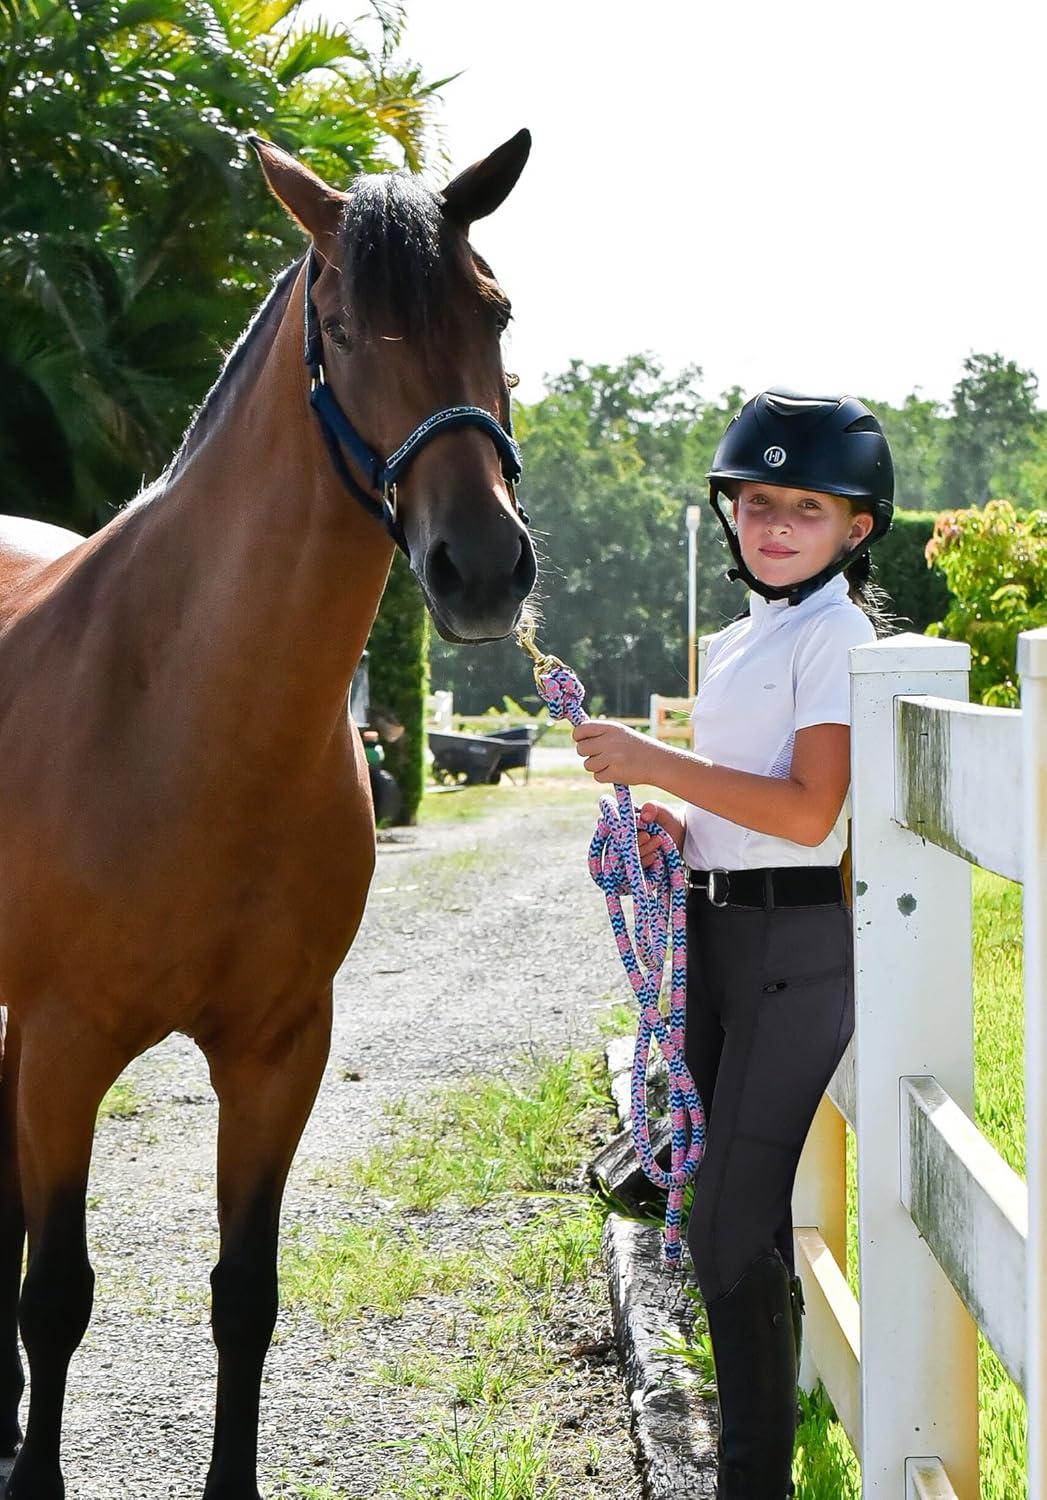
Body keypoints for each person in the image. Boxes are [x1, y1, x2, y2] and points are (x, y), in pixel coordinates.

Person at [572, 390, 896, 1499]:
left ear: (855, 527)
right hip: (714, 933)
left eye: (807, 508)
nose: (776, 526)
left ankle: (752, 1483)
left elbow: (807, 813)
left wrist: (651, 763)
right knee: (719, 1213)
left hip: (789, 947)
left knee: (722, 1224)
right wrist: (678, 824)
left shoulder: (836, 634)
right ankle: (764, 1450)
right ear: (732, 514)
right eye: (759, 504)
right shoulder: (742, 637)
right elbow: (744, 798)